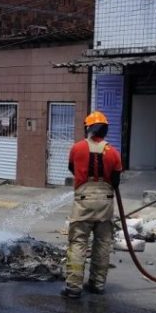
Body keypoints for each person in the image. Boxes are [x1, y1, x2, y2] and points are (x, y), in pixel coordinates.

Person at [62, 111, 123, 299]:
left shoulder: (77, 148)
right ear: (105, 130)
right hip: (105, 202)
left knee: (78, 243)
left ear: (88, 128)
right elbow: (116, 181)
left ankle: (74, 287)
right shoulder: (113, 152)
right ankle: (97, 284)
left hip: (83, 200)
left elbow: (72, 168)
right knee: (103, 244)